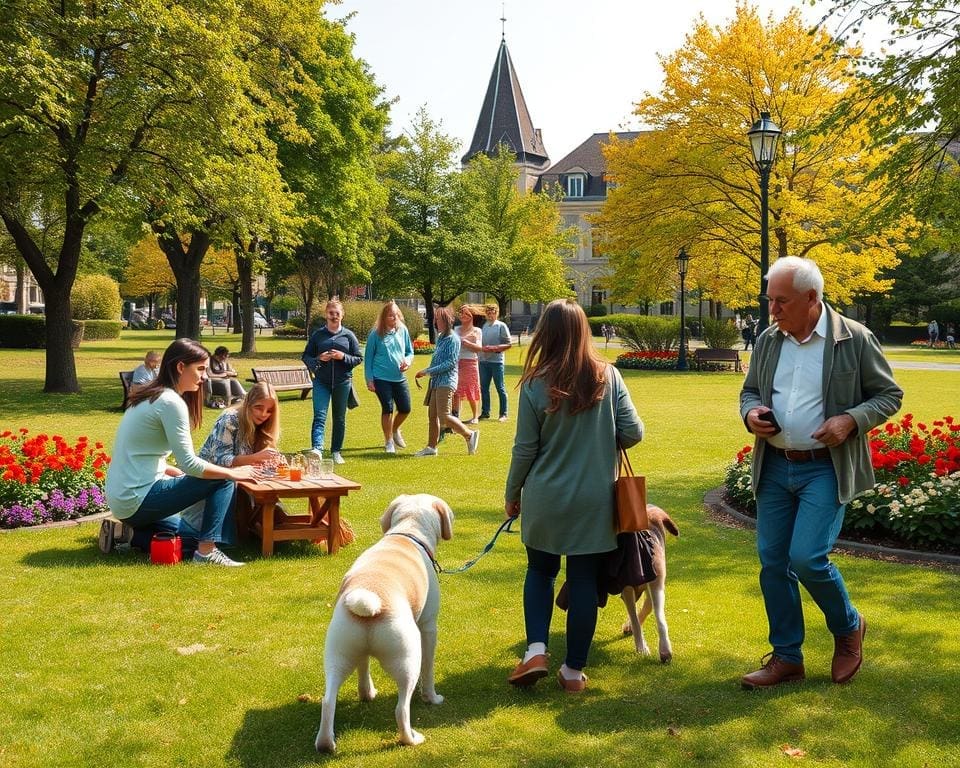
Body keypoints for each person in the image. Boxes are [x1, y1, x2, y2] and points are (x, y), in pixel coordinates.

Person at [739, 256, 902, 689]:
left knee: (807, 558)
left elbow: (888, 395)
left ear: (812, 299)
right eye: (769, 300)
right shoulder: (770, 339)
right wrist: (751, 412)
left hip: (825, 469)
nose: (772, 311)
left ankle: (848, 627)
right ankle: (787, 658)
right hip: (774, 465)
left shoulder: (855, 339)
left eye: (781, 301)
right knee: (773, 563)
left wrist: (850, 420)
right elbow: (750, 390)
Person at [504, 299, 644, 692]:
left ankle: (535, 650)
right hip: (595, 500)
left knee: (540, 572)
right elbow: (634, 432)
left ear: (544, 333)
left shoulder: (533, 383)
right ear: (584, 332)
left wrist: (512, 493)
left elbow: (524, 449)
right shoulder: (608, 377)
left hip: (545, 497)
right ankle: (572, 671)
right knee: (583, 579)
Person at [101, 338, 262, 566]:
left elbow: (139, 450)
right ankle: (206, 553)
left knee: (190, 537)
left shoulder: (150, 396)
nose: (205, 376)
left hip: (124, 499)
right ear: (180, 367)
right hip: (138, 497)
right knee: (224, 479)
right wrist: (235, 473)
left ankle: (126, 536)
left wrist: (168, 469)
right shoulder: (170, 402)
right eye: (200, 369)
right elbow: (190, 464)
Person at [413, 306, 479, 457]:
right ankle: (431, 448)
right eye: (436, 318)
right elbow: (437, 359)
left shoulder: (453, 339)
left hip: (446, 382)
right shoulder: (442, 337)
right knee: (432, 415)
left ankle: (469, 434)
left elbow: (450, 363)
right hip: (437, 382)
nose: (435, 321)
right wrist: (428, 371)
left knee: (444, 416)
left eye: (438, 319)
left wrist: (427, 371)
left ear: (446, 320)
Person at [302, 299, 362, 465]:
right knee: (320, 416)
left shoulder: (348, 335)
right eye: (331, 313)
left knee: (339, 418)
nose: (334, 316)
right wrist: (319, 359)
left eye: (337, 313)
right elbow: (306, 356)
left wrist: (343, 357)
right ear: (325, 315)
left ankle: (336, 451)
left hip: (343, 382)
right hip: (321, 381)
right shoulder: (318, 335)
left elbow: (358, 358)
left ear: (342, 315)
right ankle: (317, 449)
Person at [364, 301, 414, 454]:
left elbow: (409, 351)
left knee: (405, 408)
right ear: (384, 317)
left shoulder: (402, 330)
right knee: (388, 408)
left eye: (396, 315)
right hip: (381, 377)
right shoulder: (376, 334)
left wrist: (407, 362)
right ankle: (388, 441)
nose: (394, 318)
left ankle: (395, 429)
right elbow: (368, 358)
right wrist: (369, 379)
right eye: (391, 315)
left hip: (399, 377)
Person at [478, 304, 512, 422]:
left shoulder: (501, 326)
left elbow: (508, 344)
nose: (490, 314)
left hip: (497, 362)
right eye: (488, 312)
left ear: (496, 313)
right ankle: (485, 412)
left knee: (500, 388)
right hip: (483, 361)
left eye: (492, 312)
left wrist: (494, 348)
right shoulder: (485, 326)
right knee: (484, 388)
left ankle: (503, 414)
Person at [453, 305, 483, 424]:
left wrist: (464, 341)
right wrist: (467, 341)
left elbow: (478, 348)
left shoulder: (477, 331)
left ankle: (475, 416)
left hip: (471, 363)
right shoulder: (456, 329)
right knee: (456, 390)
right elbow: (454, 346)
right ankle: (456, 416)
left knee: (471, 389)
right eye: (462, 313)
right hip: (457, 362)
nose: (463, 316)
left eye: (466, 314)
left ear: (472, 316)